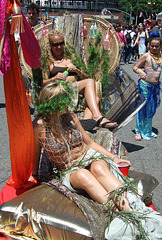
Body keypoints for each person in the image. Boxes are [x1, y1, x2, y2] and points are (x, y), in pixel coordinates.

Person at [32, 80, 162, 239]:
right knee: (82, 175)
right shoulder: (39, 125)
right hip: (69, 170)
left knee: (99, 167)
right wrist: (33, 175)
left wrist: (113, 157)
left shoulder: (71, 116)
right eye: (65, 100)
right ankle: (123, 217)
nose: (70, 103)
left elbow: (90, 143)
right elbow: (36, 152)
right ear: (53, 103)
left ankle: (133, 212)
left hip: (88, 156)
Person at [40, 30, 118, 129]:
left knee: (96, 97)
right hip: (59, 92)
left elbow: (86, 77)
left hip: (75, 92)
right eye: (55, 45)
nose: (59, 47)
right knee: (90, 85)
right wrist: (54, 78)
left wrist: (77, 71)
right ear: (50, 46)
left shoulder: (71, 58)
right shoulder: (48, 61)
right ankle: (96, 117)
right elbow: (42, 82)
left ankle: (85, 123)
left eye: (61, 44)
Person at [133, 35, 162, 141]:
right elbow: (135, 67)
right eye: (152, 46)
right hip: (145, 86)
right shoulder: (146, 56)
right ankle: (138, 131)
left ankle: (147, 130)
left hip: (155, 88)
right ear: (149, 45)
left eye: (157, 46)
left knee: (151, 109)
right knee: (142, 109)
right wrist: (140, 71)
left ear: (160, 46)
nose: (154, 48)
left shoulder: (160, 57)